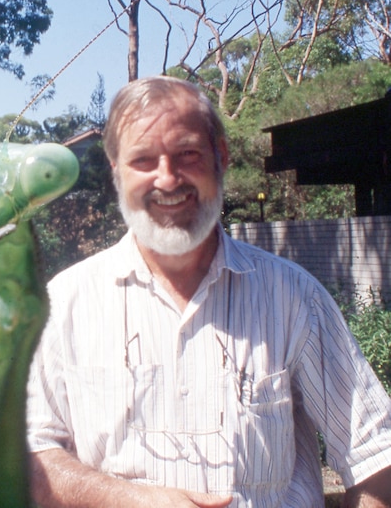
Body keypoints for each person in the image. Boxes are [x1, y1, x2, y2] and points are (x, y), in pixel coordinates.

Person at [26, 75, 391, 508]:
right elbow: (29, 452)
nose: (167, 179)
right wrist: (128, 500)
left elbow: (375, 457)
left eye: (187, 154)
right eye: (143, 160)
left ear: (221, 155)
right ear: (116, 173)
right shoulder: (65, 304)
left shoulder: (294, 298)